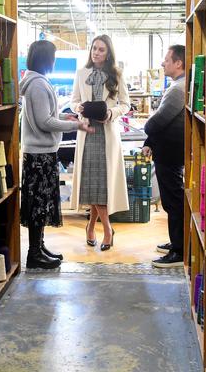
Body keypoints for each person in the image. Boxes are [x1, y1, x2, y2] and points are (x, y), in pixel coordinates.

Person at [20, 40, 93, 269]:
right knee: (38, 206)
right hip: (39, 155)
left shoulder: (36, 81)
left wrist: (65, 117)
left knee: (40, 204)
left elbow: (48, 116)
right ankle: (34, 253)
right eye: (52, 56)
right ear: (45, 59)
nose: (54, 60)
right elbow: (44, 122)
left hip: (41, 153)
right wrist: (75, 126)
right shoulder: (38, 85)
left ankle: (39, 247)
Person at [71, 34, 130, 251]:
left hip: (106, 134)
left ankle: (102, 229)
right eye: (94, 48)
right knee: (92, 184)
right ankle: (101, 229)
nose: (96, 52)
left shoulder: (116, 75)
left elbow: (125, 104)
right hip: (88, 133)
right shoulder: (81, 73)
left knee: (101, 186)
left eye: (101, 49)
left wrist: (111, 113)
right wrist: (79, 109)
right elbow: (73, 101)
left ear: (108, 53)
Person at [142, 44, 186, 267]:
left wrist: (146, 129)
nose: (163, 63)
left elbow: (157, 121)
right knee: (171, 199)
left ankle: (179, 250)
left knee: (173, 200)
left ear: (178, 63)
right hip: (168, 152)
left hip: (170, 155)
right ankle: (176, 241)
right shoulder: (177, 86)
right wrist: (149, 142)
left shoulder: (178, 89)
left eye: (167, 59)